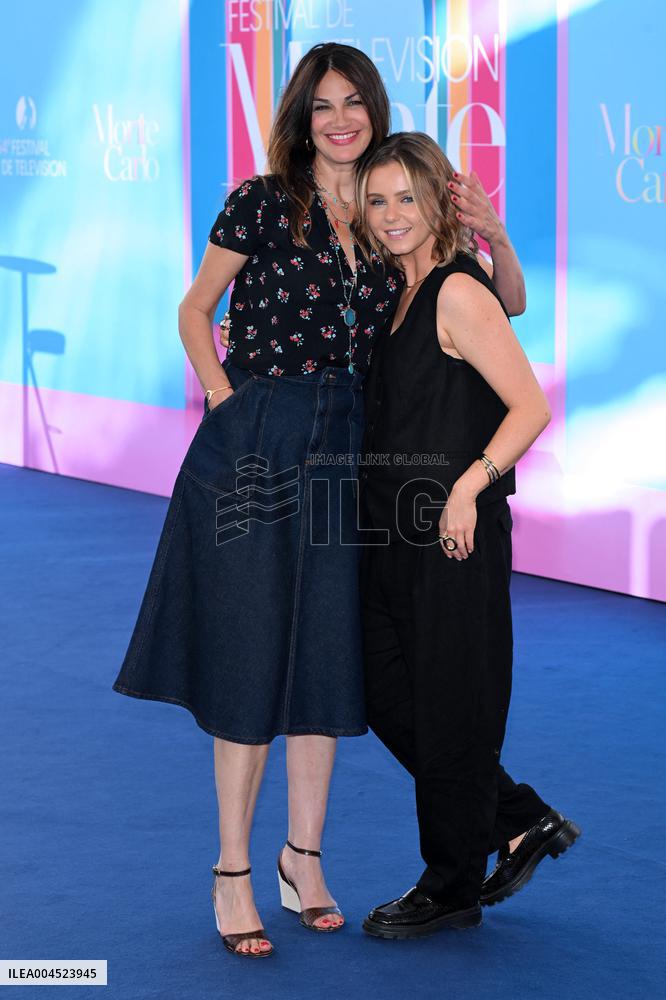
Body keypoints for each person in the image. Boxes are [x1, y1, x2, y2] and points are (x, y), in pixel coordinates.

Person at [112, 41, 527, 959]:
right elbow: (195, 308)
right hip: (258, 441)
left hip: (349, 455)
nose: (339, 120)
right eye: (322, 105)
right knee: (249, 656)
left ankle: (303, 857)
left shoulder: (388, 217)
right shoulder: (261, 203)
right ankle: (232, 869)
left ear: (375, 111)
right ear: (302, 118)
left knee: (327, 658)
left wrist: (495, 234)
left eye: (354, 102)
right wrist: (226, 401)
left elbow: (499, 307)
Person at [356, 132, 580, 939]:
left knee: (452, 708)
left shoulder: (454, 289)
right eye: (376, 200)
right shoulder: (403, 288)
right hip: (387, 531)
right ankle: (517, 819)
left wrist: (468, 486)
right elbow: (510, 301)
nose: (391, 215)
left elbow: (530, 405)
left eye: (407, 198)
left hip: (451, 537)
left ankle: (451, 885)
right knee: (382, 692)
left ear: (437, 202)